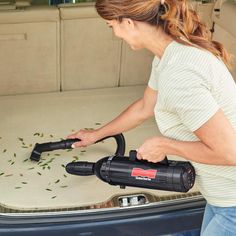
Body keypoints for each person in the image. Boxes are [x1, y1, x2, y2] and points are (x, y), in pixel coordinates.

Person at [67, 0, 236, 235]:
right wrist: (96, 135)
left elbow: (230, 152)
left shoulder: (180, 72)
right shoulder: (170, 54)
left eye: (111, 26)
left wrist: (165, 145)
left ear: (128, 22)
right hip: (222, 198)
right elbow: (145, 106)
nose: (115, 33)